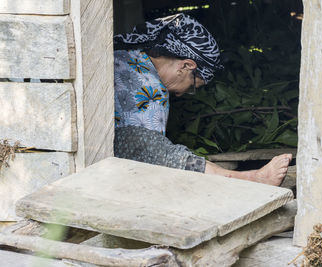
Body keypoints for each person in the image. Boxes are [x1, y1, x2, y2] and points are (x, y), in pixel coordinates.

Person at [113, 13, 292, 186]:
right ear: (187, 66)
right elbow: (148, 159)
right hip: (112, 172)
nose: (183, 93)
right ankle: (246, 179)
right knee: (168, 155)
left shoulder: (122, 53)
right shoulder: (152, 91)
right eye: (193, 86)